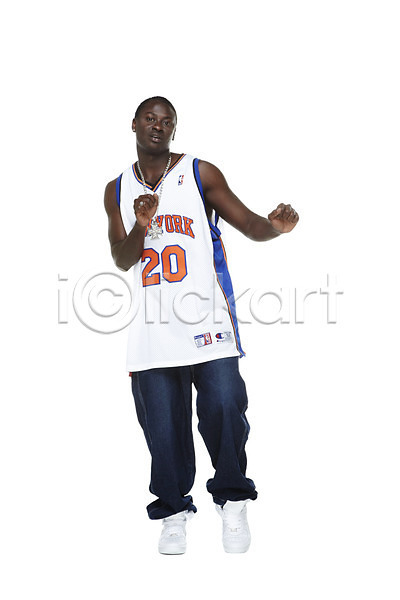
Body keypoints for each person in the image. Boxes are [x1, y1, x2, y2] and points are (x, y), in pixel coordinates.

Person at [104, 96, 299, 555]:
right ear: (134, 124)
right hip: (153, 331)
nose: (158, 125)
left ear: (174, 129)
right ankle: (173, 512)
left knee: (225, 406)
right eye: (150, 118)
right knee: (163, 430)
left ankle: (233, 499)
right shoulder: (115, 189)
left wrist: (274, 227)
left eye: (166, 121)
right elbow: (121, 259)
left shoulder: (199, 173)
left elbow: (250, 224)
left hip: (207, 320)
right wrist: (142, 224)